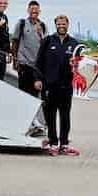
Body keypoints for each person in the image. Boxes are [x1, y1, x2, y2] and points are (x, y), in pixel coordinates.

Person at [34, 14, 83, 156]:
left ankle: (64, 144)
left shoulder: (74, 44)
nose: (61, 26)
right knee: (50, 116)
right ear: (55, 25)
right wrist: (38, 79)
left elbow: (80, 66)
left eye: (64, 24)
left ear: (68, 25)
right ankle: (53, 143)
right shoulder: (47, 41)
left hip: (66, 86)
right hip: (49, 86)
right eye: (59, 24)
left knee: (65, 116)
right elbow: (38, 62)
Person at [11, 0, 47, 96]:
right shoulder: (21, 23)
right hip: (24, 64)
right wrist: (15, 61)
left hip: (37, 66)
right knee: (23, 92)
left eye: (36, 9)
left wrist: (41, 34)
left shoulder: (43, 26)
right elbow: (14, 42)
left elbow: (45, 45)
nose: (34, 11)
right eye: (32, 9)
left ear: (39, 11)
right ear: (28, 10)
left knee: (35, 93)